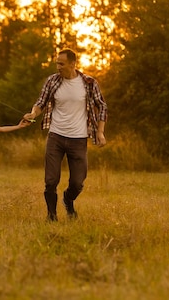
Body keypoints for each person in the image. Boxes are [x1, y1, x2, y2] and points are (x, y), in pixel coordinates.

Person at [23, 48, 108, 222]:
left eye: (61, 64)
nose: (58, 67)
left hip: (78, 139)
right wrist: (33, 114)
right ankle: (51, 216)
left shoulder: (89, 83)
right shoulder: (52, 81)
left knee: (77, 182)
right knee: (51, 181)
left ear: (72, 64)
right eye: (57, 63)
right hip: (56, 137)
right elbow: (41, 102)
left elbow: (102, 106)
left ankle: (68, 200)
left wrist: (100, 132)